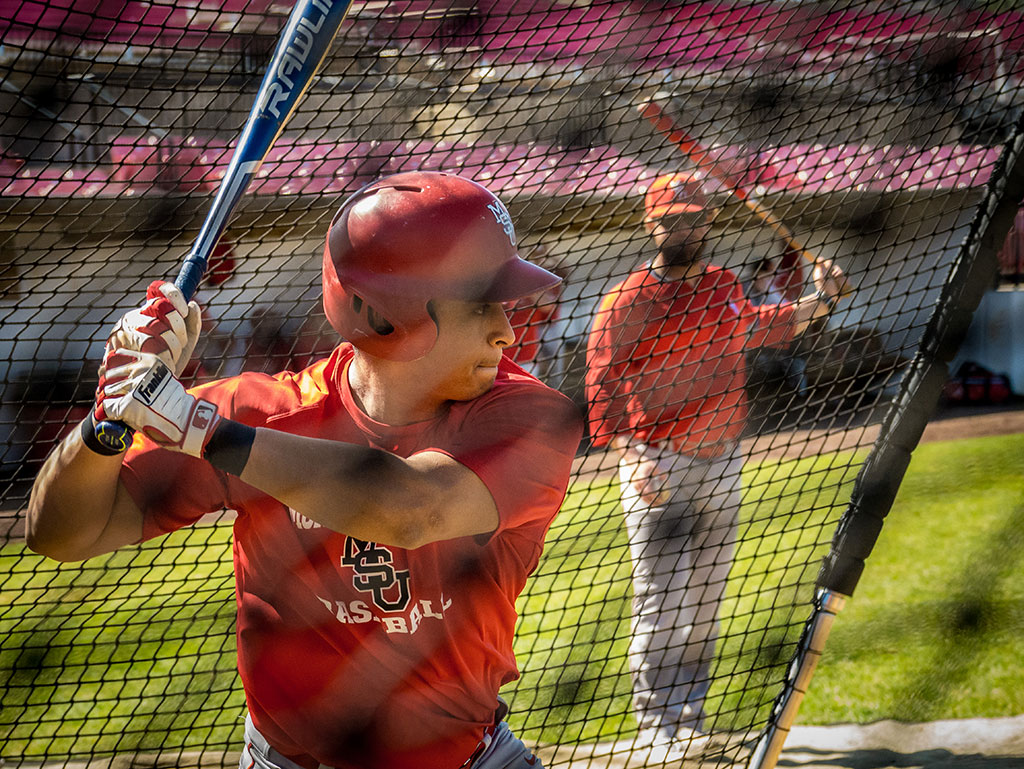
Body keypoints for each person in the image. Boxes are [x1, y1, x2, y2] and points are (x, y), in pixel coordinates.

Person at [27, 171, 584, 769]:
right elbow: (61, 534)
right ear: (383, 313)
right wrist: (110, 419)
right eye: (479, 305)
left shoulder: (529, 416)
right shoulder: (261, 415)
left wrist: (195, 428)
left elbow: (413, 508)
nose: (506, 329)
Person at [584, 172, 846, 761]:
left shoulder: (724, 286)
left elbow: (765, 326)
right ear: (651, 223)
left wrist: (823, 299)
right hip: (658, 464)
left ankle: (691, 716)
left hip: (721, 461)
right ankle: (657, 723)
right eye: (671, 219)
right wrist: (631, 457)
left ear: (707, 222)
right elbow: (600, 384)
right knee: (659, 596)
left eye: (693, 218)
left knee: (705, 597)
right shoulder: (626, 301)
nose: (684, 227)